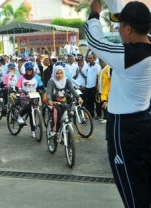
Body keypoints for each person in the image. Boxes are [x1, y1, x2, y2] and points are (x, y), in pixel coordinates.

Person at [87, 1, 151, 207]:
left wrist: (94, 14)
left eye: (120, 25)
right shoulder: (145, 49)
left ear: (128, 28)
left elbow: (95, 41)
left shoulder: (129, 57)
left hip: (125, 130)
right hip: (144, 123)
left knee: (132, 191)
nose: (118, 30)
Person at [46, 65, 83, 135]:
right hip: (54, 103)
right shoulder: (51, 81)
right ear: (54, 73)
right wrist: (49, 100)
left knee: (69, 114)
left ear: (63, 73)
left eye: (61, 73)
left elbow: (72, 90)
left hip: (64, 102)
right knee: (57, 112)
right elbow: (48, 92)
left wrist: (79, 97)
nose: (59, 75)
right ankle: (54, 130)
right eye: (57, 73)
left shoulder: (66, 80)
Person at [16, 61, 44, 138]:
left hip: (34, 96)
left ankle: (33, 130)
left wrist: (42, 90)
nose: (29, 71)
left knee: (33, 114)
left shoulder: (37, 77)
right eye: (27, 70)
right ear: (25, 70)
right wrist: (20, 89)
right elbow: (17, 86)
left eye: (30, 70)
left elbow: (41, 86)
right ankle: (20, 115)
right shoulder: (21, 78)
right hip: (24, 96)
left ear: (32, 70)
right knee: (29, 107)